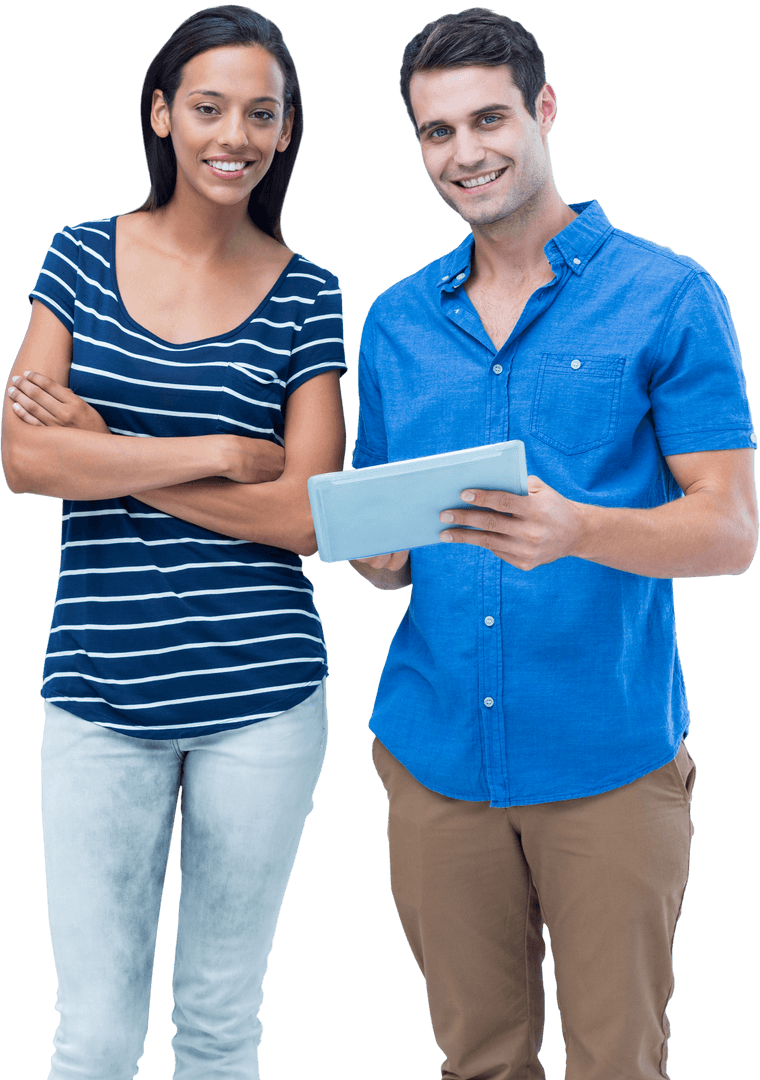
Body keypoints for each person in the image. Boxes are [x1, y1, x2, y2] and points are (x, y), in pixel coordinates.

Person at [350, 9, 757, 1080]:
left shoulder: (669, 296)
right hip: (436, 757)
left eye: (488, 119)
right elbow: (386, 524)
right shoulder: (396, 321)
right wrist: (378, 557)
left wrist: (579, 528)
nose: (465, 153)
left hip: (606, 759)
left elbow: (729, 530)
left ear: (543, 109)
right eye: (436, 132)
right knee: (477, 1061)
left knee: (618, 1060)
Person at [1, 5, 346, 1078]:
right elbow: (26, 459)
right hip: (99, 689)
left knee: (217, 1024)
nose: (234, 135)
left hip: (264, 696)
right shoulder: (78, 256)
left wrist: (109, 447)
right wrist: (218, 452)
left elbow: (307, 515)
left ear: (286, 130)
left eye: (262, 113)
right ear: (161, 113)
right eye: (208, 107)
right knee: (95, 1036)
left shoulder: (309, 293)